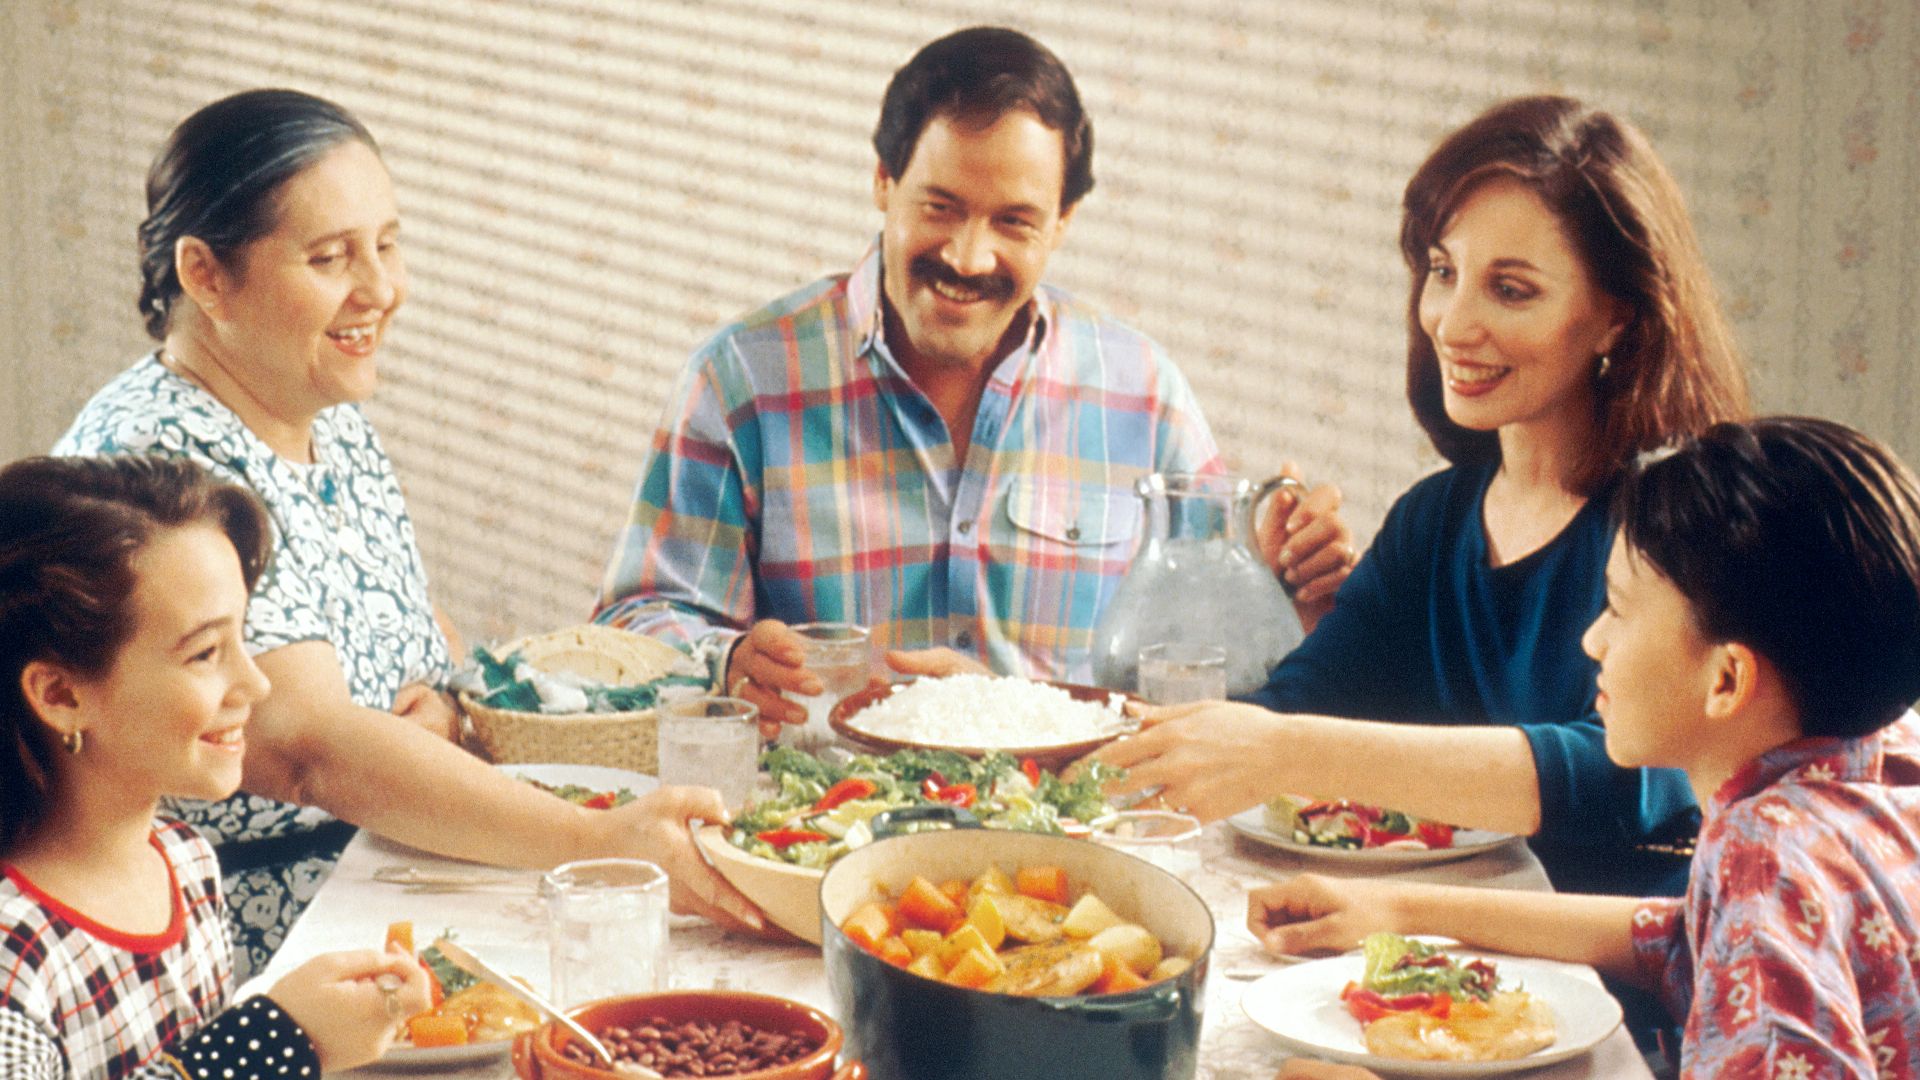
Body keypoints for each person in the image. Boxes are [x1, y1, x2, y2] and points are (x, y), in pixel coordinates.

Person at [55, 88, 761, 980]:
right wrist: (599, 840)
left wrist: (454, 705)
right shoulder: (162, 462)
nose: (382, 290)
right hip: (250, 936)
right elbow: (310, 751)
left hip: (391, 867)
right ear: (204, 276)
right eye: (330, 257)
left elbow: (414, 636)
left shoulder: (319, 407)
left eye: (387, 245)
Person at [592, 26, 1353, 736]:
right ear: (884, 182)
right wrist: (725, 662)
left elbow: (1206, 680)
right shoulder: (741, 381)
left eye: (1013, 222)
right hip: (815, 832)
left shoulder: (1143, 393)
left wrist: (1285, 595)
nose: (968, 256)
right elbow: (637, 621)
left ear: (1062, 223)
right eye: (941, 207)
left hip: (1073, 842)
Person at [1097, 95, 1751, 897]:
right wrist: (1029, 720)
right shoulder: (1434, 521)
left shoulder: (1677, 526)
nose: (1451, 321)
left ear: (1616, 318)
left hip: (1626, 992)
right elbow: (1291, 709)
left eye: (1511, 290)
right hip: (1438, 965)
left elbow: (1626, 770)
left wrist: (1290, 749)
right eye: (1443, 272)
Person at [1249, 417, 1920, 1079]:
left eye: (1618, 611)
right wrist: (1399, 910)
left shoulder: (1765, 857)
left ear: (1726, 679)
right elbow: (1682, 937)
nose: (1592, 641)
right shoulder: (1878, 760)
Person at [0, 454, 435, 1079]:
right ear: (60, 696)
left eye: (243, 640)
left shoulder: (185, 861)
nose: (255, 683)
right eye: (205, 653)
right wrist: (283, 1038)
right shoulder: (16, 959)